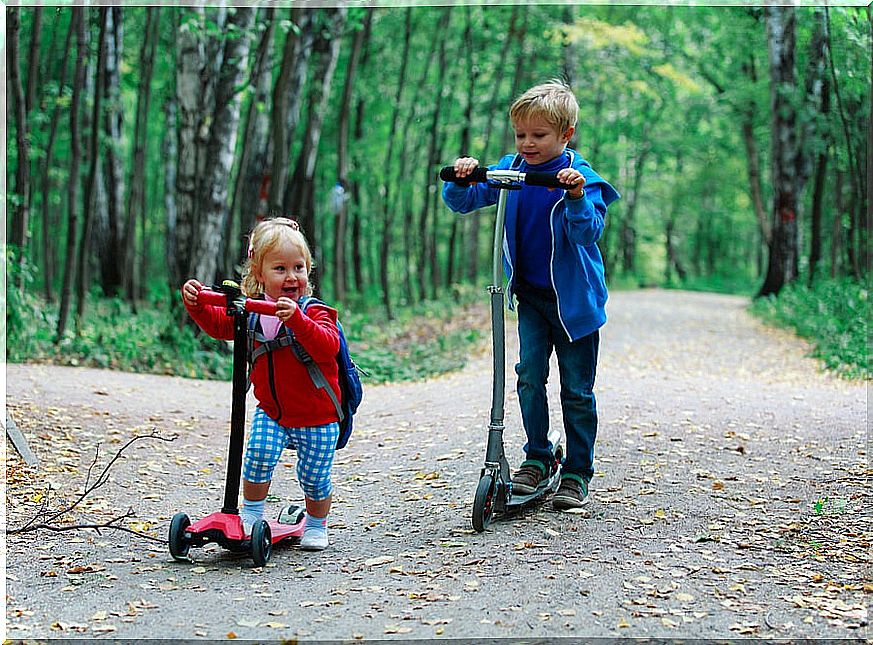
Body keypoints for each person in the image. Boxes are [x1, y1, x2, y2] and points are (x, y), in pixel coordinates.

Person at [441, 79, 620, 510]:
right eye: (521, 134)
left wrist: (574, 195)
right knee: (527, 377)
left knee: (576, 390)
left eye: (539, 135)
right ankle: (539, 455)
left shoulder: (583, 179)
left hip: (575, 304)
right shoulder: (511, 169)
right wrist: (464, 178)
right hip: (533, 298)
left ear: (565, 134)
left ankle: (578, 470)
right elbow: (462, 202)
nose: (527, 144)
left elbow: (588, 231)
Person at [181, 217, 340, 550]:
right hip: (273, 412)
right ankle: (252, 514)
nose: (291, 276)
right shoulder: (251, 311)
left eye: (299, 267)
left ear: (309, 271)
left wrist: (296, 319)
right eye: (280, 269)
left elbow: (328, 346)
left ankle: (315, 523)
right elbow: (221, 327)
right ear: (259, 274)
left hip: (318, 415)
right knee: (257, 455)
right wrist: (197, 305)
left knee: (314, 478)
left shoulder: (317, 312)